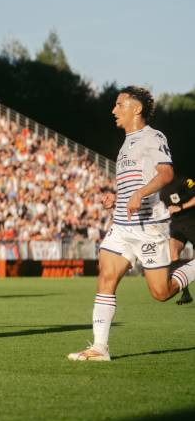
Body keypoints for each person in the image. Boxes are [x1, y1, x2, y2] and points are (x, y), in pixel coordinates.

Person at [68, 87, 195, 362]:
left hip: (150, 226)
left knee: (161, 293)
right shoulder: (126, 143)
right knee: (106, 277)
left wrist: (140, 194)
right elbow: (134, 181)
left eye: (119, 104)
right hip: (122, 226)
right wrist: (117, 197)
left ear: (136, 109)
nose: (114, 110)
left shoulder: (153, 137)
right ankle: (100, 348)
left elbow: (166, 173)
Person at [160, 173, 195, 305]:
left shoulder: (183, 180)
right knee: (173, 254)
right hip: (177, 226)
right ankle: (186, 294)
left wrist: (181, 207)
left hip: (192, 223)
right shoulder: (161, 190)